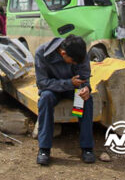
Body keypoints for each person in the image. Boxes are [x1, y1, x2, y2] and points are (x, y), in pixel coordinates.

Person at [35, 34, 94, 165]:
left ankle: (87, 148)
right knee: (45, 98)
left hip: (74, 88)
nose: (75, 64)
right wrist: (68, 83)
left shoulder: (80, 53)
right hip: (52, 90)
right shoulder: (42, 53)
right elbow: (42, 83)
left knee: (86, 99)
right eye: (73, 62)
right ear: (63, 53)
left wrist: (86, 88)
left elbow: (84, 76)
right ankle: (44, 148)